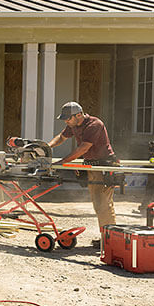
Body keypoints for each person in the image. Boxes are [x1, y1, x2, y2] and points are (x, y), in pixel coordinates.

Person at [47, 101, 117, 245]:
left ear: (79, 115)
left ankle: (110, 241)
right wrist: (47, 147)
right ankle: (107, 238)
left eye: (68, 119)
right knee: (98, 203)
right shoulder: (73, 124)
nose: (66, 122)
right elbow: (61, 137)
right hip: (92, 165)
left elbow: (83, 148)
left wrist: (62, 162)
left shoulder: (94, 125)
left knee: (103, 204)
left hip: (104, 165)